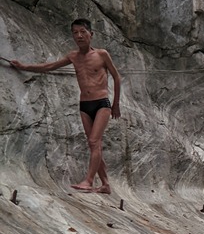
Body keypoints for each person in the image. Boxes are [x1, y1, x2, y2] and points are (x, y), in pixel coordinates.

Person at [8, 19, 121, 193]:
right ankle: (105, 185)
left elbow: (117, 77)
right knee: (94, 145)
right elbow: (49, 66)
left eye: (83, 31)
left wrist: (116, 104)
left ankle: (88, 181)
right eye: (75, 33)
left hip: (102, 104)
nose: (79, 36)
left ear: (91, 34)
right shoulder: (73, 56)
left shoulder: (102, 54)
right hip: (84, 105)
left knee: (94, 141)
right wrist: (23, 66)